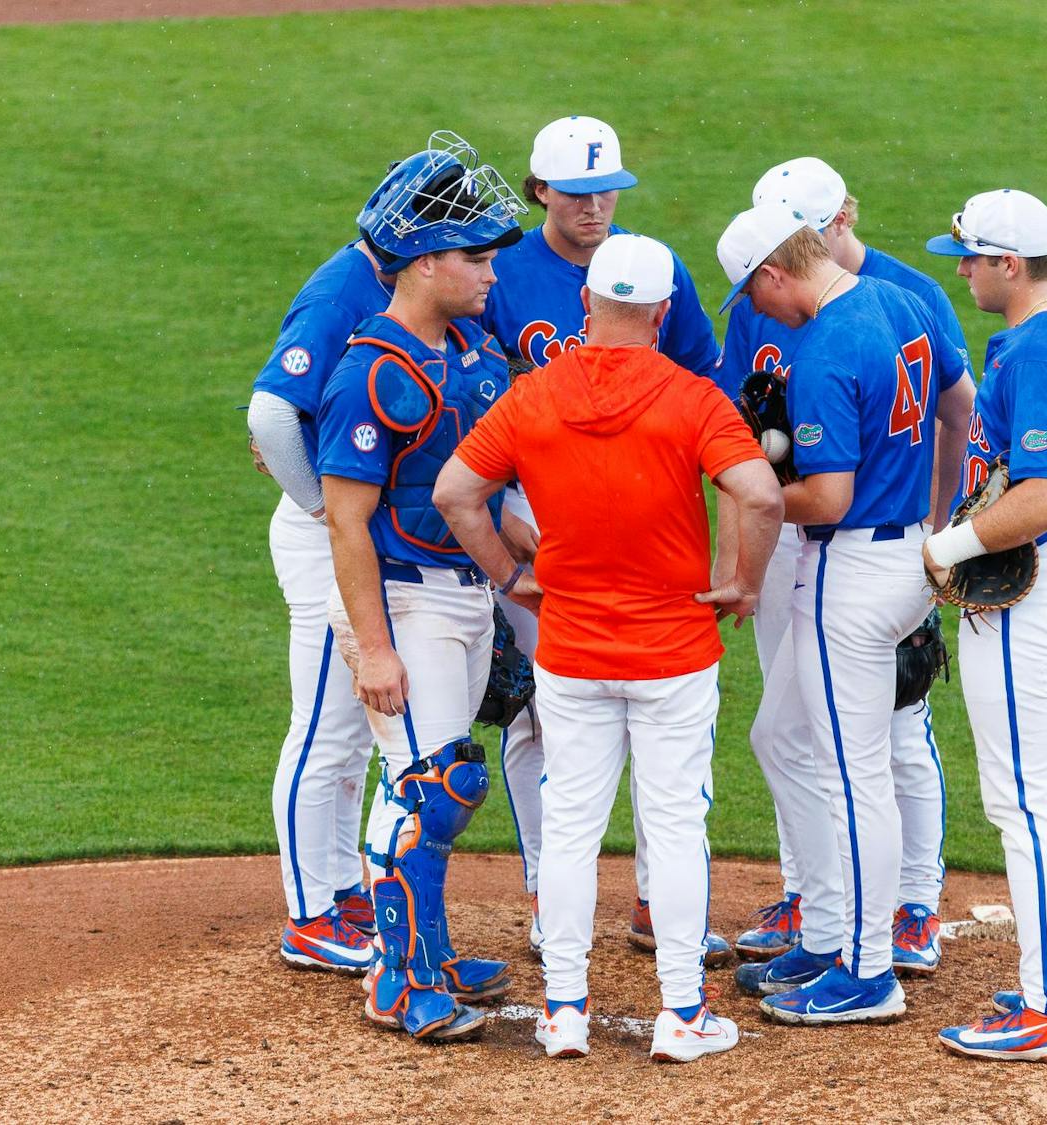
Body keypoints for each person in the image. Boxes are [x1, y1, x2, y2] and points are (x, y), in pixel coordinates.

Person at [435, 233, 782, 1063]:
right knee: (673, 827)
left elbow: (456, 492)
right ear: (663, 313)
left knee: (569, 829)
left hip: (574, 648)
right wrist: (744, 580)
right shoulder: (691, 396)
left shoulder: (534, 396)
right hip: (673, 651)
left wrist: (511, 574)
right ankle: (683, 1014)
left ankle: (562, 1012)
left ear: (587, 305)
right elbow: (762, 493)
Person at [476, 114, 733, 965]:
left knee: (663, 742)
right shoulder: (502, 276)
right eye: (579, 194)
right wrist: (513, 555)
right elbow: (477, 411)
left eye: (608, 192)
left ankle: (659, 904)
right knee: (544, 718)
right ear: (540, 189)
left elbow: (700, 386)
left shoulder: (653, 271)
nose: (596, 208)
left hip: (639, 518)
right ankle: (552, 898)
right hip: (530, 508)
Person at [713, 203, 974, 1025]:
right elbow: (946, 412)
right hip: (902, 550)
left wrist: (752, 486)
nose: (758, 314)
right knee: (780, 735)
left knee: (851, 772)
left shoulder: (825, 346)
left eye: (753, 295)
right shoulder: (899, 302)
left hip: (852, 568)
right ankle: (827, 932)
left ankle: (867, 970)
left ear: (773, 273)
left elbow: (826, 495)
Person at [315, 133, 526, 1042]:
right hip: (404, 597)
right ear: (424, 261)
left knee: (434, 781)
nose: (489, 274)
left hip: (465, 595)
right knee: (431, 784)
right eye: (474, 258)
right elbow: (345, 519)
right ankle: (397, 981)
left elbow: (489, 496)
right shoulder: (374, 371)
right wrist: (372, 647)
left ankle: (426, 955)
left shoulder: (475, 355)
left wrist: (534, 580)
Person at [924, 188, 1047, 1062]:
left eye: (969, 256)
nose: (960, 268)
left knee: (1027, 800)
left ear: (1010, 264)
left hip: (1034, 597)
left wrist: (950, 545)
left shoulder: (1041, 349)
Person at [247, 160, 401, 974]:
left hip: (354, 531)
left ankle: (342, 886)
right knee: (326, 728)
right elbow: (272, 411)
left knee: (351, 734)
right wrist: (320, 507)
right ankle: (310, 913)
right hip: (323, 540)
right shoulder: (345, 285)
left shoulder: (388, 278)